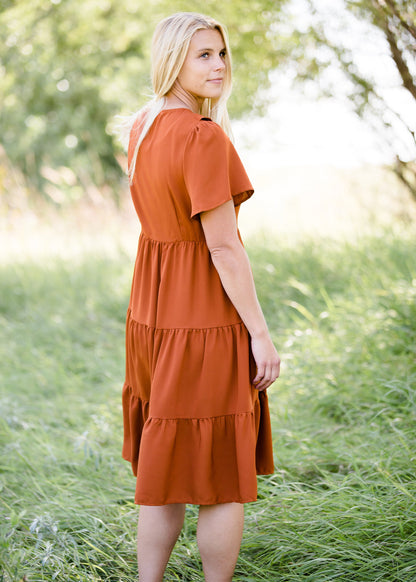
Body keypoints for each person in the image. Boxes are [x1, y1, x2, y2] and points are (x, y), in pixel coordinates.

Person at [121, 11, 281, 582]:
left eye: (221, 53)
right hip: (203, 318)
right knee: (219, 473)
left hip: (151, 314)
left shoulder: (142, 126)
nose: (218, 66)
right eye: (203, 55)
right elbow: (224, 249)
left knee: (163, 465)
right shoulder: (202, 135)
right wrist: (260, 334)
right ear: (172, 61)